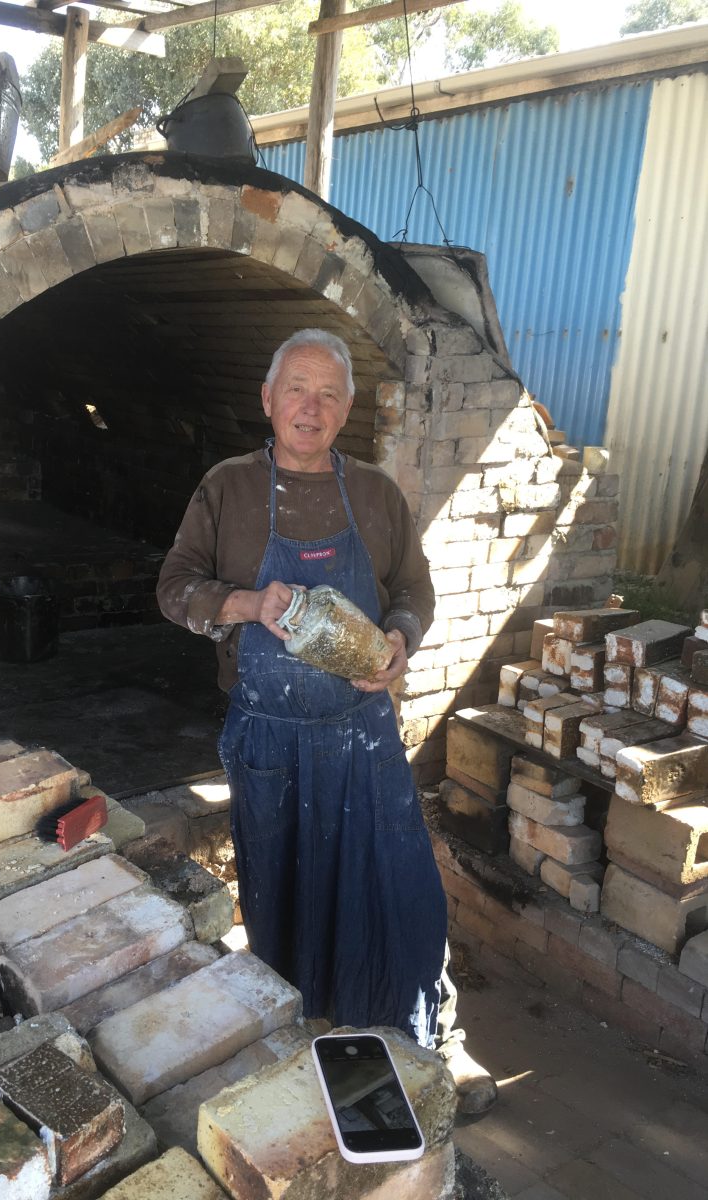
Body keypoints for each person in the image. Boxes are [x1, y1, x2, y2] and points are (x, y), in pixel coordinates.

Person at [157, 329, 496, 1110]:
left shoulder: (376, 494)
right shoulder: (229, 488)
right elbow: (175, 589)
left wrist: (402, 639)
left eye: (330, 394)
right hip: (269, 738)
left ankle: (426, 1039)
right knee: (283, 891)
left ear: (346, 411)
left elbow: (415, 588)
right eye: (297, 390)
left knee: (397, 886)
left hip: (364, 731)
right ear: (268, 401)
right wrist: (244, 603)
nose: (311, 408)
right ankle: (307, 1034)